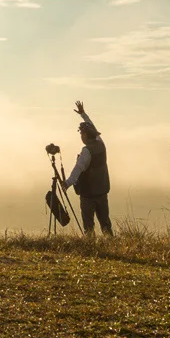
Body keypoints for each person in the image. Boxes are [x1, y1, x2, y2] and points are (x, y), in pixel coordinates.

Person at [62, 100, 113, 236]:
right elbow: (93, 128)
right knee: (105, 224)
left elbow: (78, 168)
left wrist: (67, 183)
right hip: (102, 191)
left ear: (85, 135)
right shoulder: (101, 144)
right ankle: (111, 244)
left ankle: (90, 245)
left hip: (88, 194)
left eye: (81, 134)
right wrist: (83, 114)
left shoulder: (86, 151)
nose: (81, 136)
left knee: (89, 227)